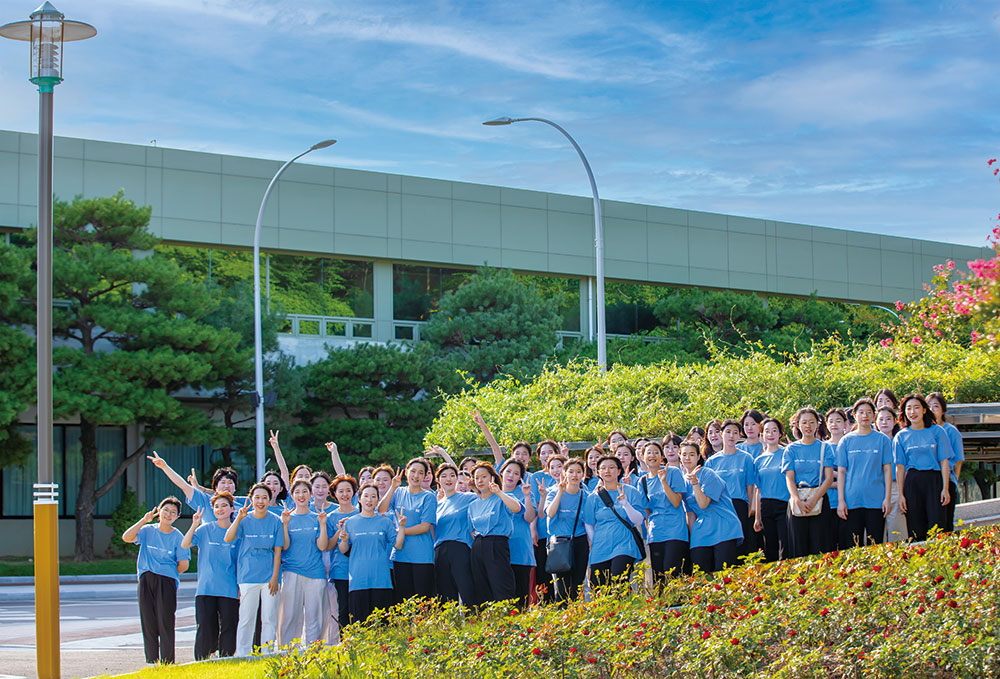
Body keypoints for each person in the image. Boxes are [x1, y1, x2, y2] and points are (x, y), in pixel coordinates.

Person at [122, 496, 191, 665]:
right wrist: (143, 521)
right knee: (148, 620)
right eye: (166, 510)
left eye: (173, 512)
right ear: (159, 512)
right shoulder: (147, 530)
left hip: (166, 581)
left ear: (177, 517)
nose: (168, 514)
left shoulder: (178, 536)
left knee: (165, 620)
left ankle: (168, 662)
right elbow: (127, 537)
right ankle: (151, 661)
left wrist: (166, 573)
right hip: (146, 579)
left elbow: (183, 565)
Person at [224, 482, 283, 656]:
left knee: (269, 618)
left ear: (269, 499)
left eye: (264, 497)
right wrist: (239, 518)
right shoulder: (244, 519)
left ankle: (268, 653)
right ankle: (243, 653)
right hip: (248, 576)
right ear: (251, 499)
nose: (260, 501)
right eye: (257, 497)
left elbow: (278, 551)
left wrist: (274, 577)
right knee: (246, 617)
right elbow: (228, 538)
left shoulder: (275, 521)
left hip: (269, 578)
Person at [335, 483, 406, 624]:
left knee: (382, 627)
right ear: (359, 499)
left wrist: (402, 527)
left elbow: (398, 544)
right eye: (366, 496)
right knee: (360, 625)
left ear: (378, 500)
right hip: (358, 581)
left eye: (373, 496)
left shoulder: (385, 522)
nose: (369, 500)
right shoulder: (350, 523)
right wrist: (344, 540)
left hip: (381, 580)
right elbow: (344, 550)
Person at [181, 492, 239, 660]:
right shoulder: (205, 529)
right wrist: (194, 524)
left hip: (230, 588)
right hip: (206, 588)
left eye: (224, 506)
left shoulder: (237, 531)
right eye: (216, 506)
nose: (220, 509)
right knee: (205, 625)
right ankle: (202, 659)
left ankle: (227, 658)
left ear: (232, 508)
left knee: (229, 625)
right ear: (213, 510)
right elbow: (185, 544)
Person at [894, 393, 953, 542]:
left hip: (934, 479)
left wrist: (945, 488)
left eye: (916, 408)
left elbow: (944, 462)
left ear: (924, 410)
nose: (912, 412)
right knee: (915, 526)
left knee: (937, 525)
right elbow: (900, 468)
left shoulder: (938, 432)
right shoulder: (901, 437)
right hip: (913, 481)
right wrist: (901, 495)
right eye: (909, 408)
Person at [277, 479, 329, 647]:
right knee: (290, 616)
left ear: (310, 494)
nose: (301, 495)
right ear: (292, 496)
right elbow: (284, 546)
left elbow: (322, 546)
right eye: (297, 492)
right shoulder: (286, 518)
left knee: (314, 616)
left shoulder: (317, 518)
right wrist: (285, 525)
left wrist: (322, 525)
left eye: (305, 492)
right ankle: (288, 652)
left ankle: (313, 652)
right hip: (291, 572)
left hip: (315, 574)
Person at [678, 441, 742, 573]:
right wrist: (693, 537)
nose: (687, 458)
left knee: (723, 573)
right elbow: (690, 514)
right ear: (680, 456)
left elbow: (703, 503)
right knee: (700, 572)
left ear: (698, 457)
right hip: (701, 529)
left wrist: (695, 483)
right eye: (684, 455)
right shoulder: (683, 481)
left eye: (691, 454)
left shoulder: (708, 474)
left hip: (723, 526)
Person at [377, 458, 437, 600]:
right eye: (413, 471)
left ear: (424, 476)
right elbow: (381, 509)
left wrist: (401, 531)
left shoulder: (428, 497)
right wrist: (392, 487)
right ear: (406, 472)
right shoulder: (398, 492)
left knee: (423, 600)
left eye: (420, 473)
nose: (416, 476)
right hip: (400, 554)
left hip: (422, 556)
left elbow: (425, 526)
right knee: (403, 599)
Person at [835, 398, 892, 548]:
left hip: (876, 500)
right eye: (861, 412)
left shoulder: (882, 440)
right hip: (851, 501)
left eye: (868, 412)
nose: (865, 416)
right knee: (853, 546)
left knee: (876, 544)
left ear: (874, 416)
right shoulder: (846, 441)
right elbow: (841, 472)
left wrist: (887, 498)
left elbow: (887, 470)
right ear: (854, 415)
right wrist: (841, 501)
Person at [584, 456, 646, 588]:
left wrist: (626, 504)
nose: (607, 471)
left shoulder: (631, 492)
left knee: (618, 581)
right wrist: (594, 541)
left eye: (612, 467)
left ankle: (624, 608)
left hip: (624, 543)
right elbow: (588, 523)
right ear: (598, 472)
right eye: (603, 468)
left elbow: (639, 520)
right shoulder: (593, 497)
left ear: (619, 471)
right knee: (598, 586)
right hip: (601, 546)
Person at [782, 408, 835, 558]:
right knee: (798, 547)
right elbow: (789, 477)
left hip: (819, 499)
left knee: (820, 546)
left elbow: (829, 478)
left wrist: (814, 499)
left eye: (812, 422)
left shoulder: (825, 448)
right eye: (804, 422)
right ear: (797, 425)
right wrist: (796, 499)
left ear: (817, 424)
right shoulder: (791, 449)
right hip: (798, 500)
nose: (808, 426)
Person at [468, 462, 523, 605]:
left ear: (492, 478)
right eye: (477, 478)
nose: (480, 480)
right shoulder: (473, 504)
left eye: (484, 477)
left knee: (501, 584)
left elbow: (516, 508)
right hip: (479, 545)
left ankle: (509, 620)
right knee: (481, 587)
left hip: (497, 544)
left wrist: (499, 492)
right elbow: (472, 529)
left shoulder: (502, 497)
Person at [703, 419, 758, 556]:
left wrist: (751, 508)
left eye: (735, 433)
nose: (731, 436)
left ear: (739, 435)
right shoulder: (712, 462)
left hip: (739, 505)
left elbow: (750, 487)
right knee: (724, 548)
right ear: (721, 434)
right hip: (719, 508)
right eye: (728, 432)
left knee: (742, 547)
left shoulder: (746, 458)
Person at [639, 440, 688, 581]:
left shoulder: (673, 472)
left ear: (662, 457)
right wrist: (650, 531)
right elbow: (647, 511)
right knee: (658, 577)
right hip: (656, 533)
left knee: (672, 572)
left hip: (675, 530)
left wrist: (663, 482)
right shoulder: (642, 481)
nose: (652, 455)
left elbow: (676, 502)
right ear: (643, 457)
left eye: (656, 452)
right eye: (648, 452)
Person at [544, 458, 590, 603]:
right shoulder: (553, 492)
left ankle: (576, 617)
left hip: (580, 542)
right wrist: (560, 492)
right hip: (560, 543)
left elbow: (589, 522)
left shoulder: (586, 496)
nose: (574, 475)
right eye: (571, 472)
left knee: (577, 584)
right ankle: (562, 616)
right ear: (564, 473)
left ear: (583, 474)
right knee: (562, 586)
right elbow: (550, 513)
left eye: (578, 472)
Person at [146, 451, 245, 517]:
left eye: (230, 483)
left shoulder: (245, 503)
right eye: (223, 482)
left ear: (235, 487)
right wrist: (165, 467)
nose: (227, 486)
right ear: (216, 486)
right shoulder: (205, 501)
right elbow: (183, 485)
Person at [432, 462, 477, 605]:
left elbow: (486, 495)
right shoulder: (437, 504)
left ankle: (473, 622)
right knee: (445, 594)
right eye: (444, 476)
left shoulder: (468, 498)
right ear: (438, 480)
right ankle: (451, 625)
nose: (448, 479)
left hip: (460, 548)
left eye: (452, 475)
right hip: (440, 550)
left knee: (467, 589)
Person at [500, 459, 537, 609]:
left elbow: (529, 518)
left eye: (516, 473)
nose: (511, 476)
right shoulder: (493, 492)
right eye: (508, 471)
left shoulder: (524, 492)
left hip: (520, 551)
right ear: (501, 472)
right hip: (499, 551)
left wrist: (527, 496)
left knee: (521, 599)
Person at [325, 474, 358, 633]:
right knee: (343, 609)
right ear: (334, 493)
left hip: (360, 569)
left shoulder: (361, 513)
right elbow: (329, 546)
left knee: (358, 608)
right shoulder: (331, 517)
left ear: (354, 492)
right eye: (341, 491)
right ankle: (346, 644)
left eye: (348, 490)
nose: (345, 494)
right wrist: (338, 531)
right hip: (340, 570)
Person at [927, 392, 964, 531]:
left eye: (935, 406)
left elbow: (958, 460)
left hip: (946, 480)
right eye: (929, 406)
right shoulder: (925, 430)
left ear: (943, 410)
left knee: (945, 523)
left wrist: (951, 482)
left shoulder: (951, 431)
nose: (932, 409)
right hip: (929, 481)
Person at [753, 418, 789, 562]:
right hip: (766, 506)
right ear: (762, 435)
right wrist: (757, 517)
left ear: (780, 433)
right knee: (770, 545)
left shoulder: (787, 453)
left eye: (774, 430)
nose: (771, 434)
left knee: (785, 543)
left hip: (784, 503)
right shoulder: (758, 460)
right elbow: (758, 490)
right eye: (767, 431)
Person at [876, 406, 906, 542]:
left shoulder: (899, 440)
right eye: (881, 419)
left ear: (895, 422)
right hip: (876, 488)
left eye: (888, 419)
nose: (884, 422)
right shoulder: (872, 441)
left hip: (895, 488)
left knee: (897, 531)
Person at [824, 407, 851, 550]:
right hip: (828, 502)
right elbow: (822, 476)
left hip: (849, 502)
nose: (834, 424)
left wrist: (834, 478)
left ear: (846, 424)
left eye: (838, 421)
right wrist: (840, 478)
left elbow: (854, 473)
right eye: (831, 421)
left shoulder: (850, 443)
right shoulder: (822, 447)